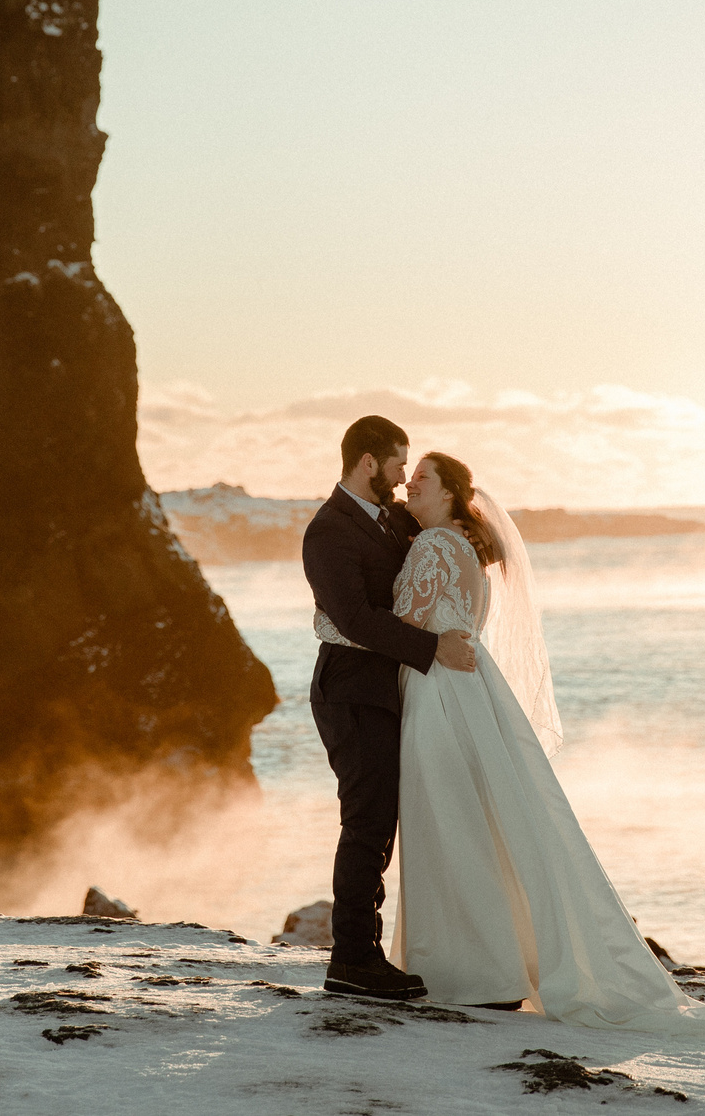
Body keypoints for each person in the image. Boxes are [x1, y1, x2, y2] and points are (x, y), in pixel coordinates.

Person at [391, 451, 705, 1039]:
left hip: (438, 693)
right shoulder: (468, 550)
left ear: (449, 494)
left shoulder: (432, 546)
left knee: (446, 821)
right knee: (481, 825)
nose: (410, 486)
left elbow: (401, 621)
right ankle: (497, 966)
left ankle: (468, 971)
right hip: (474, 690)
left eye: (422, 478)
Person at [302, 415, 477, 999]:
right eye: (399, 464)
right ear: (368, 462)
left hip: (388, 690)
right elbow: (352, 618)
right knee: (367, 821)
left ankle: (368, 953)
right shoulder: (328, 530)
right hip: (349, 691)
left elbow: (439, 544)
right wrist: (433, 648)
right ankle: (352, 960)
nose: (404, 478)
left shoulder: (393, 519)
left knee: (383, 823)